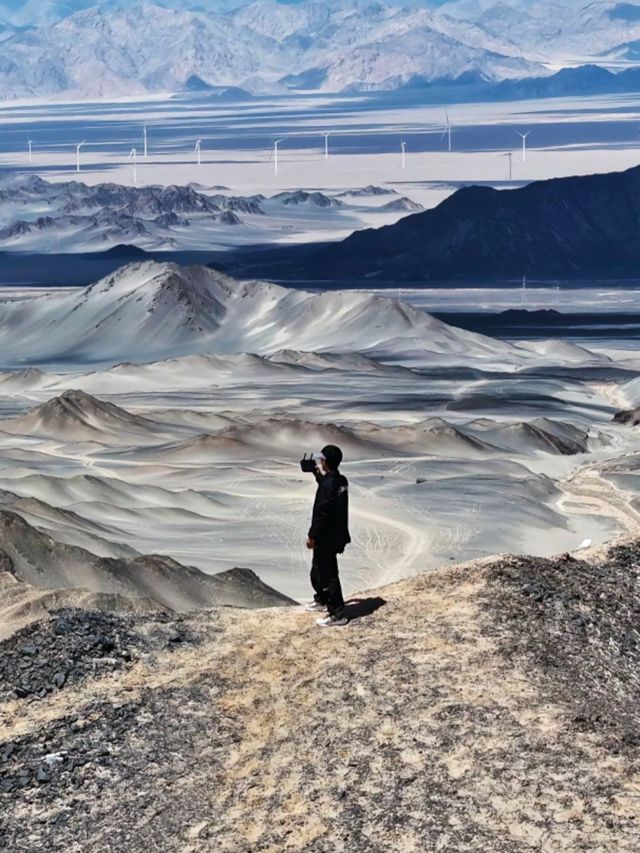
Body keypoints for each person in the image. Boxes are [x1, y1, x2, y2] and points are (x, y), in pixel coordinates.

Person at [305, 444, 351, 627]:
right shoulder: (341, 481)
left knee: (328, 573)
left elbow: (321, 513)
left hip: (326, 536)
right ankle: (322, 599)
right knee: (318, 569)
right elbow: (328, 487)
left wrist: (312, 536)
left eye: (322, 459)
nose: (320, 461)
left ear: (326, 462)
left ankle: (337, 613)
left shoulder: (329, 484)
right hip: (336, 534)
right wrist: (317, 475)